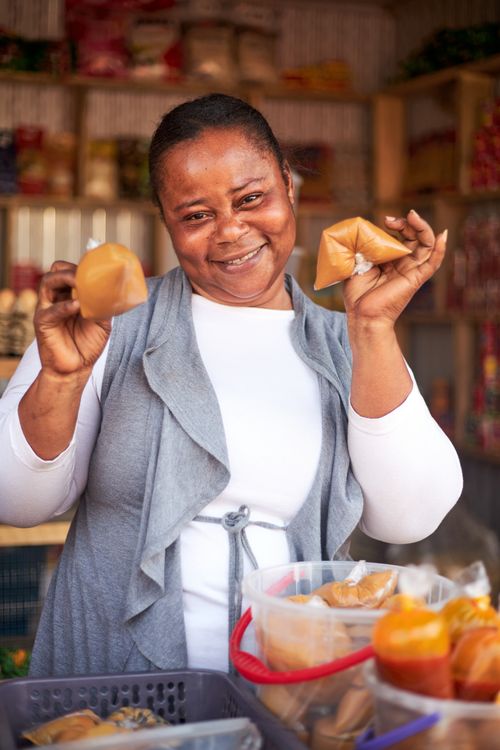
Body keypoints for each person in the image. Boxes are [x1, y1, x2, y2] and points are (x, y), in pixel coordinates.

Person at [0, 94, 462, 678]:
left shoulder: (347, 343)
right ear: (166, 221)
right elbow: (16, 502)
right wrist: (63, 377)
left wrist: (371, 328)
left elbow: (408, 517)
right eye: (196, 215)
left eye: (251, 199)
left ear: (289, 189)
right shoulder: (103, 325)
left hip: (292, 683)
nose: (231, 231)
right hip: (117, 683)